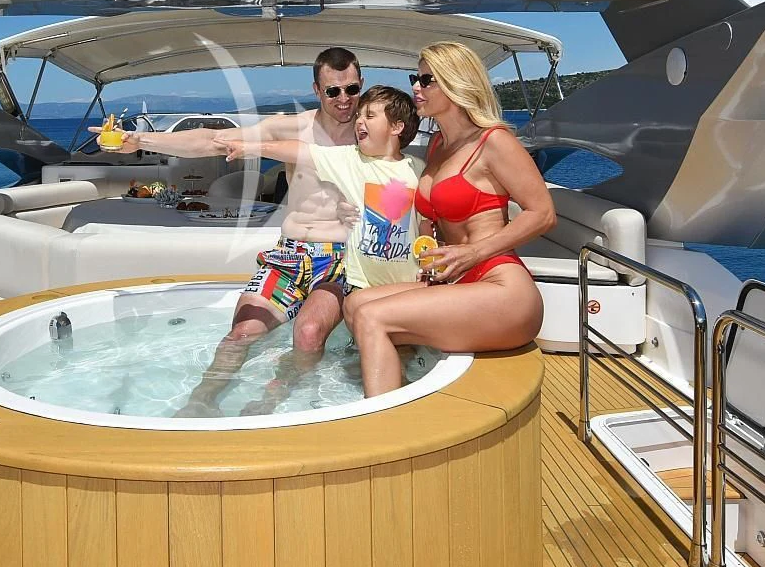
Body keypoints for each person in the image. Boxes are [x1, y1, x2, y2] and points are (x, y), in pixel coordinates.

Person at [106, 47, 364, 405]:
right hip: (291, 256)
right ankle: (199, 403)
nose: (344, 100)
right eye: (333, 91)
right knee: (239, 335)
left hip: (340, 261)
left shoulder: (371, 133)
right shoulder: (292, 128)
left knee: (307, 334)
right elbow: (214, 140)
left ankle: (271, 403)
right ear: (317, 91)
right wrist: (141, 141)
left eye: (352, 89)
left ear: (361, 86)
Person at [341, 41, 556, 396]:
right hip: (456, 280)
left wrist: (472, 253)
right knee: (355, 304)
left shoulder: (494, 141)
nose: (416, 88)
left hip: (499, 285)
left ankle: (381, 429)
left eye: (427, 80)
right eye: (416, 77)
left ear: (455, 84)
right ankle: (404, 393)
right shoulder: (439, 145)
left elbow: (543, 214)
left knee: (371, 316)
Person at [220, 84, 424, 405]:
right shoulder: (350, 161)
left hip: (406, 288)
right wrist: (251, 147)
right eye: (360, 115)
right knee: (371, 364)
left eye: (370, 115)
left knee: (401, 366)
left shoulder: (418, 171)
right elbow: (298, 150)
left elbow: (430, 222)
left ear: (397, 127)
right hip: (361, 288)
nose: (359, 121)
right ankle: (289, 399)